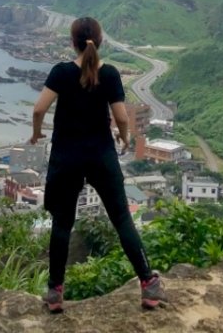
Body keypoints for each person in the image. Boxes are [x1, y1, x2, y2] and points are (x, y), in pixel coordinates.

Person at [31, 16, 168, 312]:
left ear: (72, 42)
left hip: (66, 157)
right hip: (101, 156)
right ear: (100, 41)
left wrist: (36, 132)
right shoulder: (110, 74)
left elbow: (39, 108)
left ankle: (55, 292)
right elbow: (120, 115)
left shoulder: (61, 72)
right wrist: (124, 138)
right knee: (121, 219)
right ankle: (148, 284)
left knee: (62, 224)